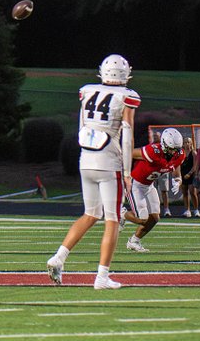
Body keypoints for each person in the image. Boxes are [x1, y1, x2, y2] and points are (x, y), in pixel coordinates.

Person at [46, 54, 140, 290]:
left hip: (86, 158)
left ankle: (59, 257)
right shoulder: (126, 96)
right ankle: (102, 277)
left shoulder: (87, 91)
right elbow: (127, 135)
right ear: (126, 74)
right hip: (109, 161)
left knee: (90, 214)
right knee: (112, 219)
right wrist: (127, 172)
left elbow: (82, 127)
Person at [123, 127, 185, 251]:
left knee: (155, 218)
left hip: (149, 185)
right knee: (142, 218)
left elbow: (176, 169)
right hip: (135, 184)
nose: (174, 153)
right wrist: (125, 173)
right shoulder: (153, 151)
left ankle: (134, 241)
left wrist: (178, 180)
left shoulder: (179, 154)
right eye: (171, 149)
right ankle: (121, 214)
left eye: (176, 150)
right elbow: (128, 153)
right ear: (163, 144)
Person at [179, 137, 200, 216]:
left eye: (188, 142)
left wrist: (189, 174)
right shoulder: (181, 153)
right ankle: (187, 210)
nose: (187, 144)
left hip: (191, 175)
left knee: (192, 192)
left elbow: (195, 165)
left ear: (191, 143)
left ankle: (196, 210)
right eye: (185, 142)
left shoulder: (194, 153)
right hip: (182, 174)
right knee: (184, 192)